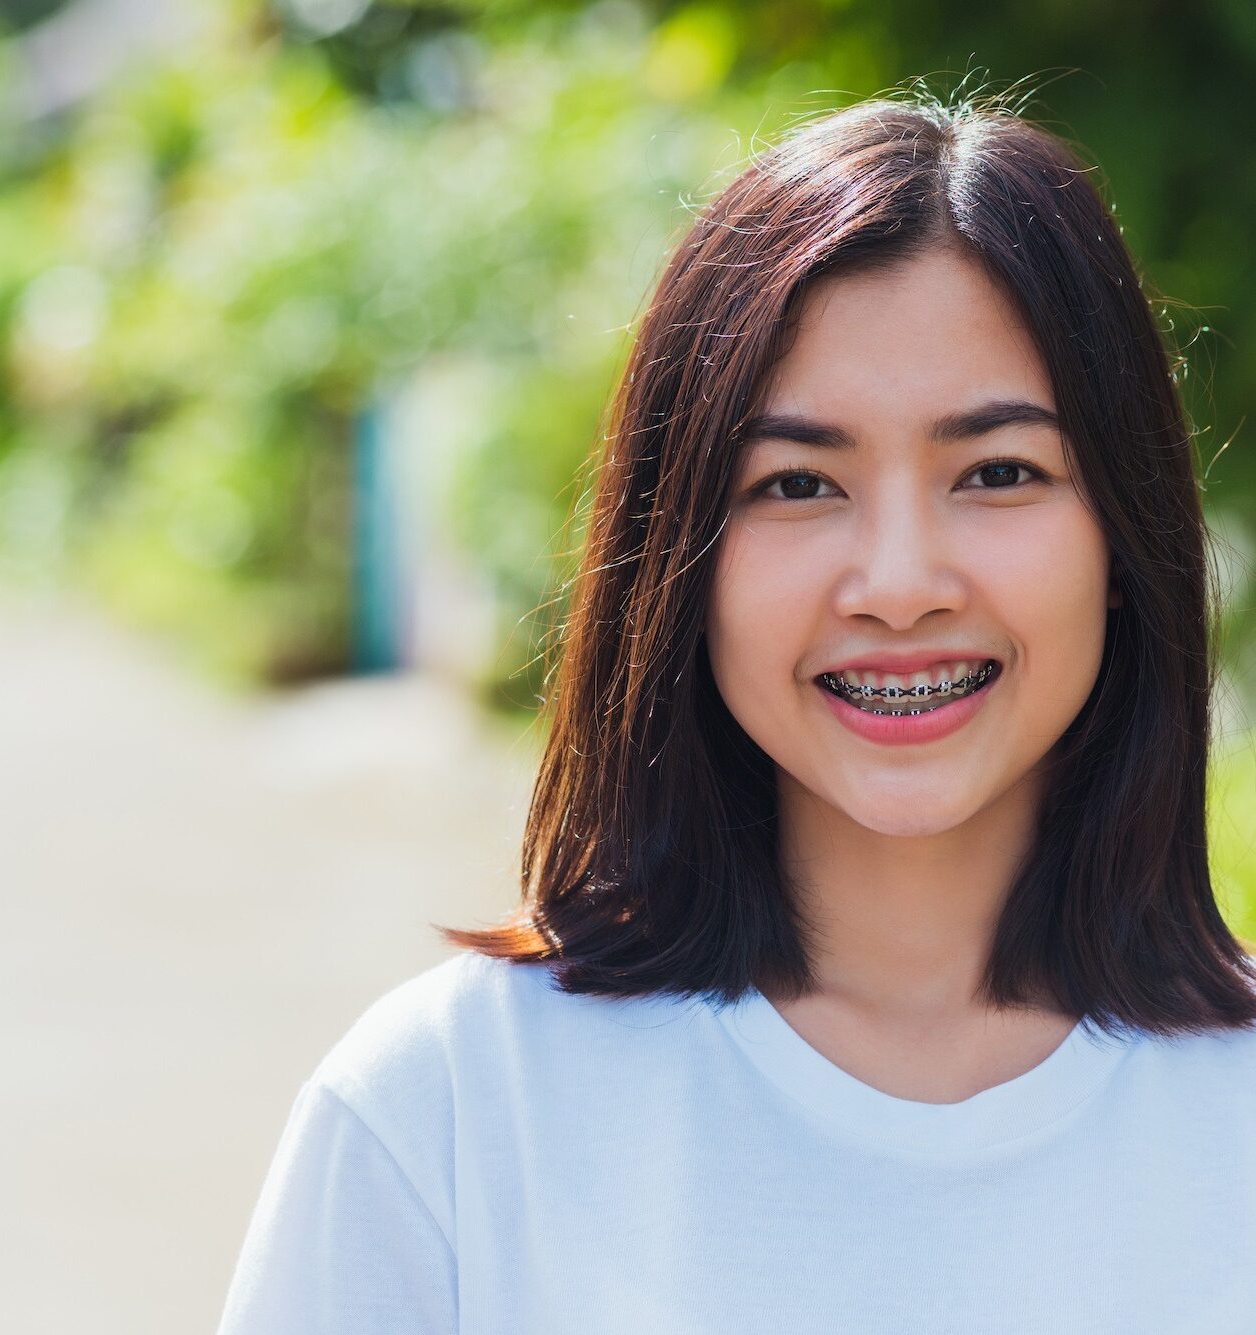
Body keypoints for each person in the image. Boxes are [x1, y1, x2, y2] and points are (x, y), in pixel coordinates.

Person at [215, 88, 1256, 1334]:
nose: (900, 585)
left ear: (1124, 540)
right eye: (800, 483)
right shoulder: (445, 1114)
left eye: (997, 472)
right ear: (679, 554)